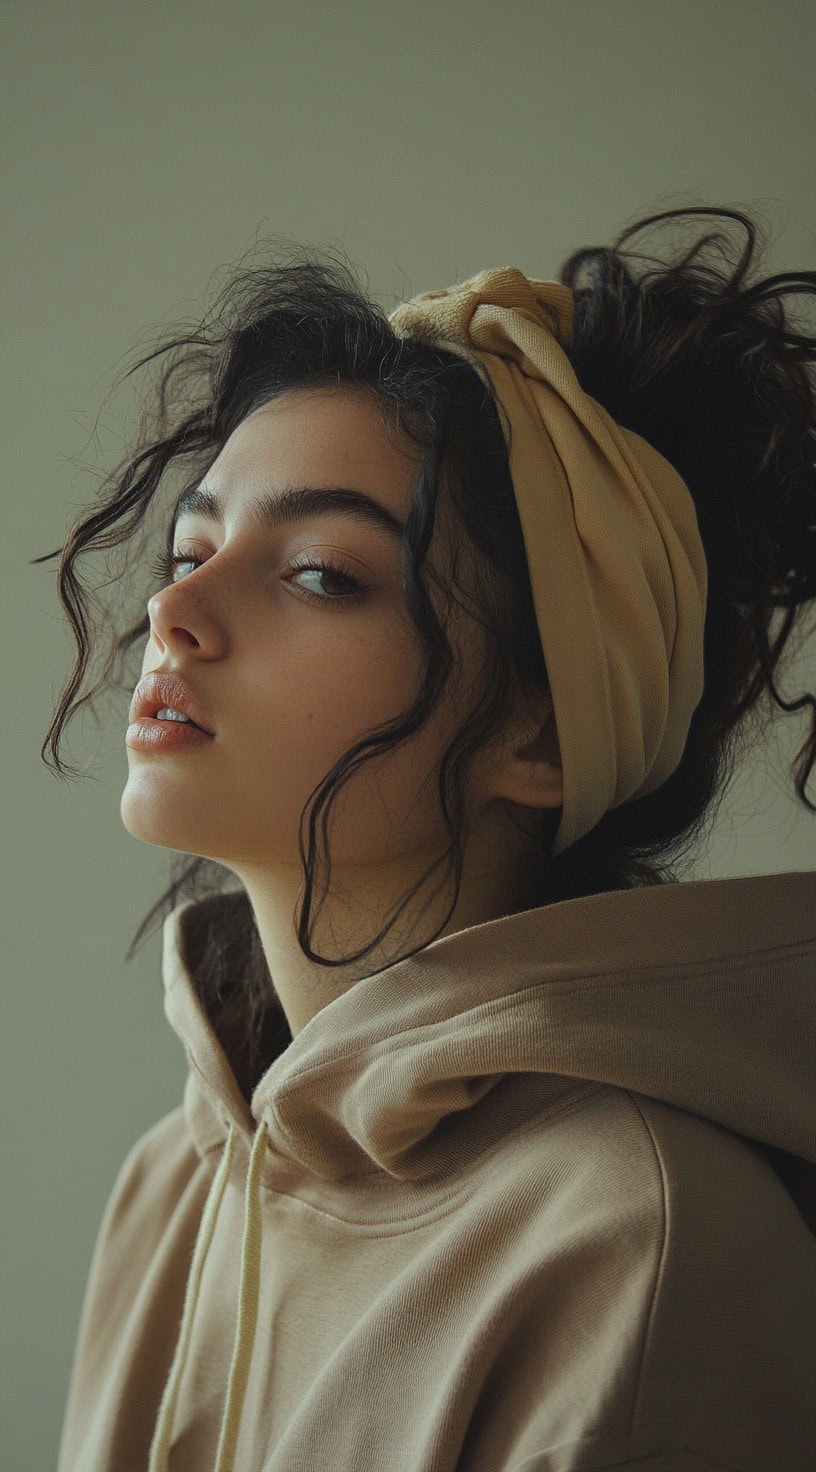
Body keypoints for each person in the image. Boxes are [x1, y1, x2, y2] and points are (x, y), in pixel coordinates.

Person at [40, 206, 816, 1471]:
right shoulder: (168, 1188)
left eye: (319, 575)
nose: (174, 609)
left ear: (544, 734)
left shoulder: (640, 1238)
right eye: (194, 544)